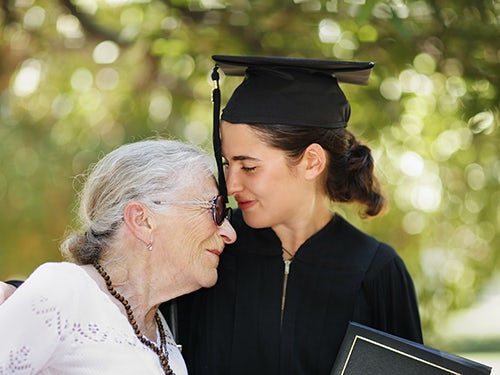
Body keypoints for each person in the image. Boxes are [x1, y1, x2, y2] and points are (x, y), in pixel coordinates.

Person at [174, 55, 423, 375]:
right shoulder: (211, 249)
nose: (232, 185)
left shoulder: (376, 274)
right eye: (227, 164)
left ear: (311, 163)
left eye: (249, 166)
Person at [0, 139, 236, 374]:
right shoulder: (64, 290)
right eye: (214, 209)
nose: (229, 232)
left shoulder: (160, 332)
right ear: (142, 220)